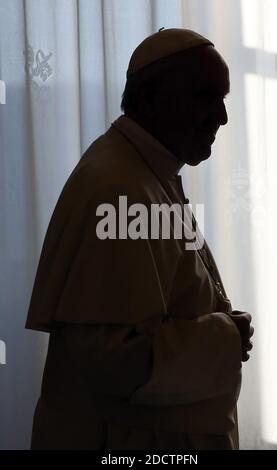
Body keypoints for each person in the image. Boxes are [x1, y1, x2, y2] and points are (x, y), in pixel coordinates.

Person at [26, 28, 254, 450]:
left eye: (222, 99)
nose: (221, 117)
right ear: (150, 98)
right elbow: (116, 360)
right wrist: (226, 336)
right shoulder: (116, 186)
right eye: (205, 96)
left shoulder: (142, 170)